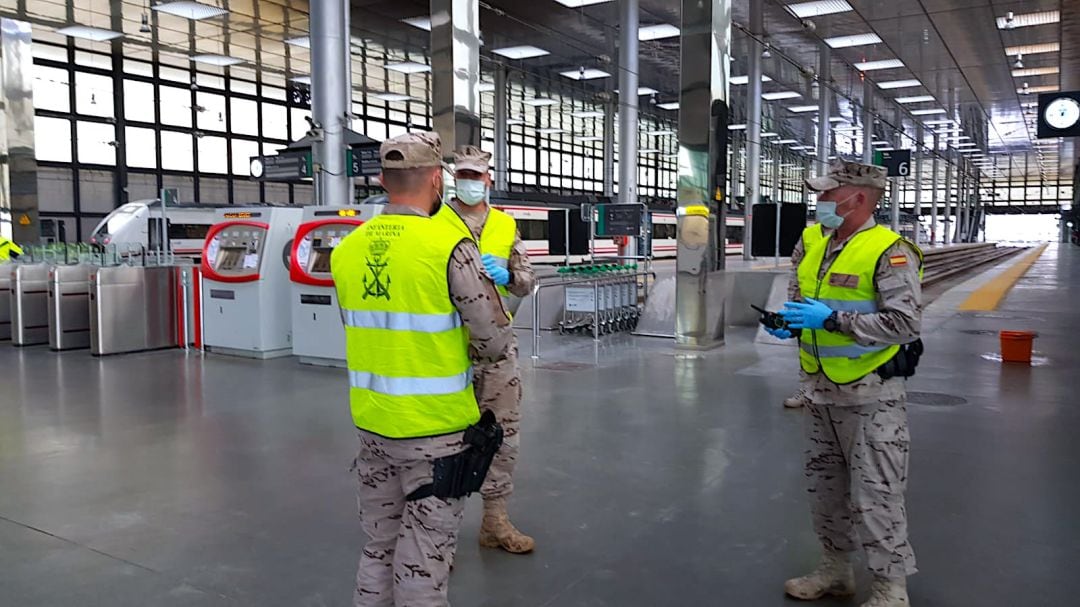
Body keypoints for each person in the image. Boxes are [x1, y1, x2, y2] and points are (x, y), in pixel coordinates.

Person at [331, 131, 513, 606]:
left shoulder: (347, 249)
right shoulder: (448, 245)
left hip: (372, 424)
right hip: (436, 434)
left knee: (378, 548)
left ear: (382, 180)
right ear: (436, 180)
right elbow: (493, 339)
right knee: (424, 557)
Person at [767, 159, 923, 607]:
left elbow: (905, 323)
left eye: (827, 194)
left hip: (871, 395)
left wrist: (833, 320)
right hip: (820, 390)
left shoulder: (890, 250)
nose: (818, 203)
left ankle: (890, 589)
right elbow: (803, 304)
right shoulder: (813, 242)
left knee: (877, 494)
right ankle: (835, 570)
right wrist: (791, 323)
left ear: (857, 198)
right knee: (825, 490)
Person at [437, 145, 537, 554]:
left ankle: (495, 522)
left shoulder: (503, 224)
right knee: (443, 442)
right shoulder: (435, 221)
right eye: (463, 175)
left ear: (488, 180)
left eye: (476, 176)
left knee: (502, 434)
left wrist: (509, 273)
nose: (470, 182)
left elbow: (527, 281)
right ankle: (437, 539)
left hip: (497, 350)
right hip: (446, 349)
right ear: (452, 178)